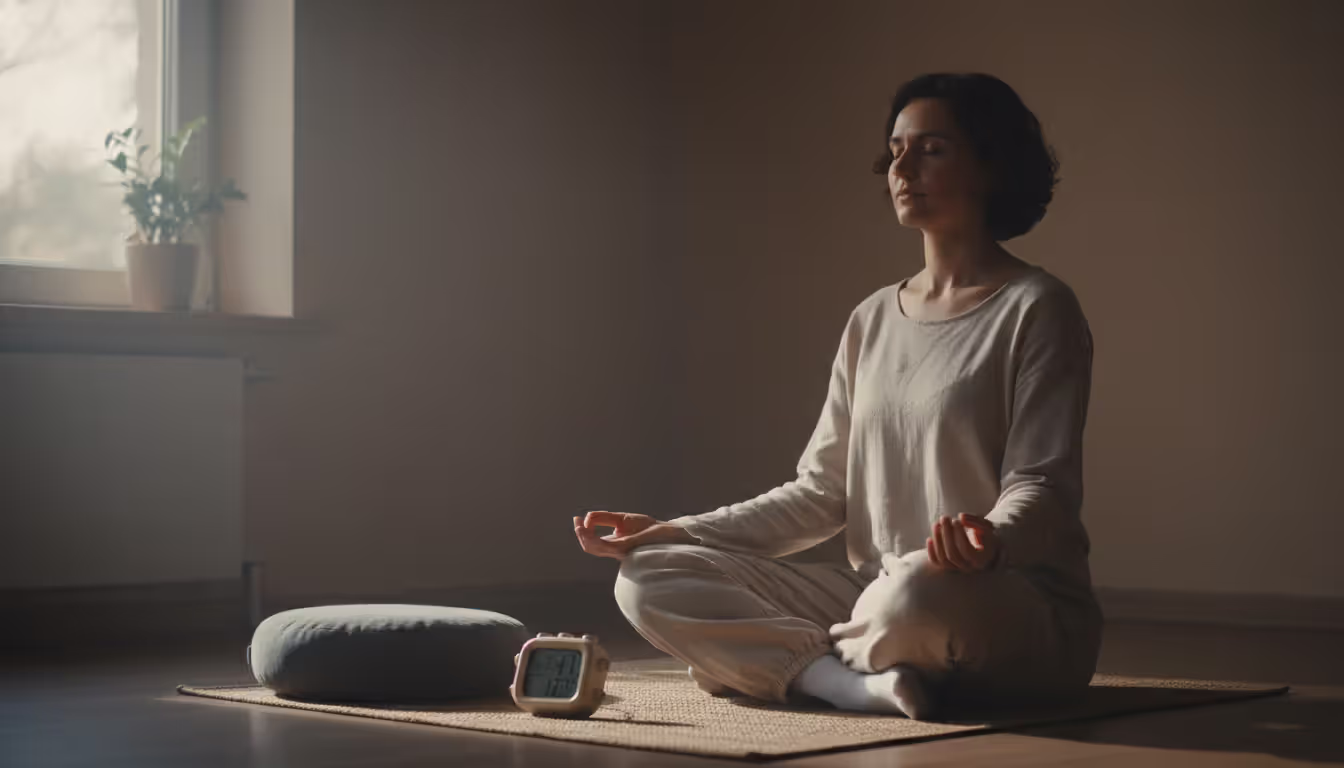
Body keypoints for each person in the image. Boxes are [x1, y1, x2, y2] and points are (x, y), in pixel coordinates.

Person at [573, 72, 1102, 721]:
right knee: (649, 573)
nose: (902, 165)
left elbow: (1041, 486)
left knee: (907, 596)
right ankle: (848, 682)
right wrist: (674, 531)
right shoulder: (873, 319)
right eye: (897, 149)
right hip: (873, 594)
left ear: (991, 165)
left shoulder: (1038, 308)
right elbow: (820, 495)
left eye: (932, 148)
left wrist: (990, 537)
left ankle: (774, 663)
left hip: (997, 599)